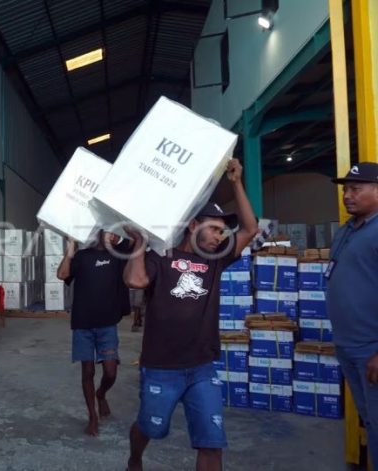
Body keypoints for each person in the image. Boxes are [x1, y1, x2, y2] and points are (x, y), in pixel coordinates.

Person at [123, 159, 257, 471]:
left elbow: (251, 229)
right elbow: (135, 281)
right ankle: (134, 458)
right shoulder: (161, 257)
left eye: (223, 232)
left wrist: (236, 182)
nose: (220, 237)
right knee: (149, 428)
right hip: (161, 367)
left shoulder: (216, 259)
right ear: (194, 225)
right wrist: (140, 245)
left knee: (212, 443)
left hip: (202, 367)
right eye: (215, 229)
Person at [327, 162, 378, 467]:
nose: (347, 195)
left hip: (371, 349)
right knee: (369, 420)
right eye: (346, 189)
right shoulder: (348, 229)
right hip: (347, 344)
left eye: (356, 189)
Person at [57, 230, 132, 436]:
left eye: (115, 232)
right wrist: (71, 248)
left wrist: (121, 236)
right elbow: (62, 274)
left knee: (111, 372)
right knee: (88, 371)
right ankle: (92, 416)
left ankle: (101, 394)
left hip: (108, 324)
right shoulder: (82, 256)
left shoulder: (118, 254)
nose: (112, 235)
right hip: (83, 324)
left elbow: (136, 240)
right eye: (108, 231)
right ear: (97, 232)